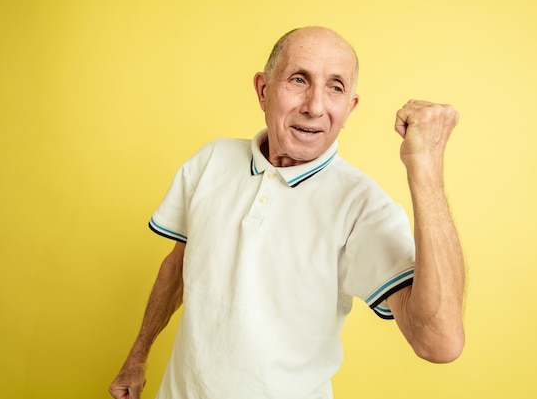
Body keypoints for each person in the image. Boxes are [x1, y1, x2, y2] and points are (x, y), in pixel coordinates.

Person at [109, 26, 465, 399]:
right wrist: (137, 357)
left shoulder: (362, 206)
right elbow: (178, 265)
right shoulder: (211, 160)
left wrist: (426, 170)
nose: (315, 106)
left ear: (349, 108)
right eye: (299, 79)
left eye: (335, 87)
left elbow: (439, 342)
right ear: (264, 90)